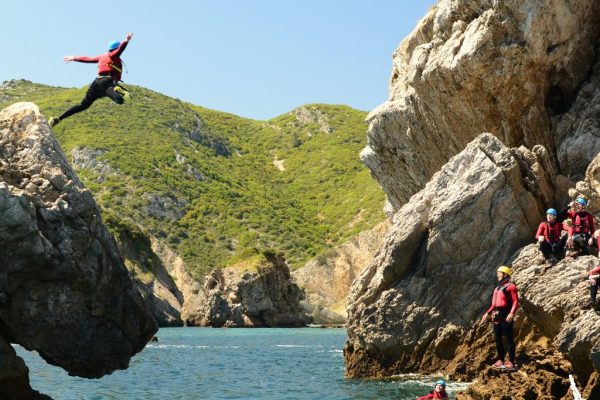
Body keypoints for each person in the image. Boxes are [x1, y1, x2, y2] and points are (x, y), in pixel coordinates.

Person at [48, 33, 133, 127]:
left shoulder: (102, 57)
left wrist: (74, 58)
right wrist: (126, 41)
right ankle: (117, 90)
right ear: (116, 49)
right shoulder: (114, 55)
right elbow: (120, 50)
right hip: (107, 82)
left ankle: (59, 118)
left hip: (96, 83)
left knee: (82, 105)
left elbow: (88, 59)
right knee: (119, 100)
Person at [480, 266, 519, 371]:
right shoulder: (497, 288)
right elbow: (493, 304)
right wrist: (486, 313)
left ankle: (511, 362)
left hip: (506, 314)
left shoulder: (511, 287)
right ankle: (501, 360)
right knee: (497, 339)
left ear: (506, 274)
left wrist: (511, 313)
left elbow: (515, 301)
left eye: (500, 273)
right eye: (497, 273)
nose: (498, 274)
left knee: (509, 339)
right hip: (496, 315)